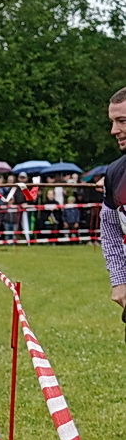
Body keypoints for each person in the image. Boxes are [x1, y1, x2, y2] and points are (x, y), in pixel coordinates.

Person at [99, 89, 126, 308]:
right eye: (112, 121)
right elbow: (109, 229)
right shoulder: (115, 172)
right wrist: (119, 280)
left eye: (122, 121)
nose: (114, 130)